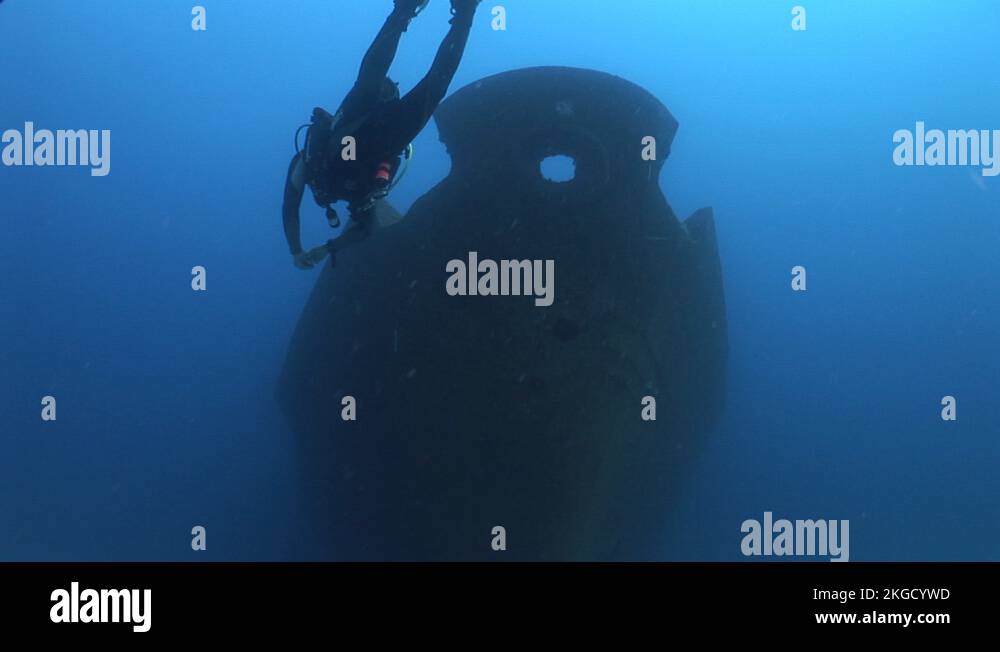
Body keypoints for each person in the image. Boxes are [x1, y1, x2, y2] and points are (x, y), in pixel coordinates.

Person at [282, 0, 482, 269]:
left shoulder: (310, 164)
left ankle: (439, 11)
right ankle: (452, 12)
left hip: (354, 130)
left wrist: (300, 250)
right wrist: (324, 249)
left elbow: (290, 205)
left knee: (421, 82)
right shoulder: (351, 192)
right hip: (377, 137)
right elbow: (362, 229)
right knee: (415, 82)